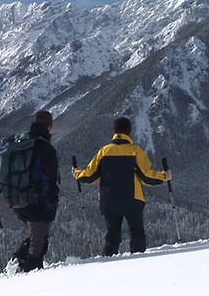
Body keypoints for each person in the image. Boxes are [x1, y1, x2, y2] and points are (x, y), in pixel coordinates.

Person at [72, 117, 172, 256]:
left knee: (112, 236)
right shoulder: (135, 151)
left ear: (114, 131)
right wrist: (164, 176)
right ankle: (138, 261)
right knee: (137, 233)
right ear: (130, 131)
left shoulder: (104, 152)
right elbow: (147, 176)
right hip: (133, 199)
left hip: (109, 200)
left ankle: (108, 263)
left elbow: (90, 176)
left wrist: (77, 172)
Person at [10, 110, 60, 272]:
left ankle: (18, 262)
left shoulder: (22, 142)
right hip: (35, 201)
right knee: (38, 244)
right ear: (50, 127)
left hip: (15, 198)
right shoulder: (45, 148)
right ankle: (28, 272)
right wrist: (52, 204)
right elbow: (51, 181)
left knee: (36, 237)